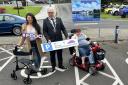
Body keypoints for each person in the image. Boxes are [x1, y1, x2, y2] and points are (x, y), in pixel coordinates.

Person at [43, 7, 68, 72]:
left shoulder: (59, 19)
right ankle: (53, 66)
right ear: (47, 13)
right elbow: (45, 31)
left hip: (59, 40)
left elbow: (63, 28)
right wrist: (48, 39)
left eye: (52, 12)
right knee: (52, 55)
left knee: (60, 54)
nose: (50, 14)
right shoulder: (45, 21)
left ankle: (60, 65)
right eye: (49, 12)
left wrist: (66, 36)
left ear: (54, 12)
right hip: (51, 41)